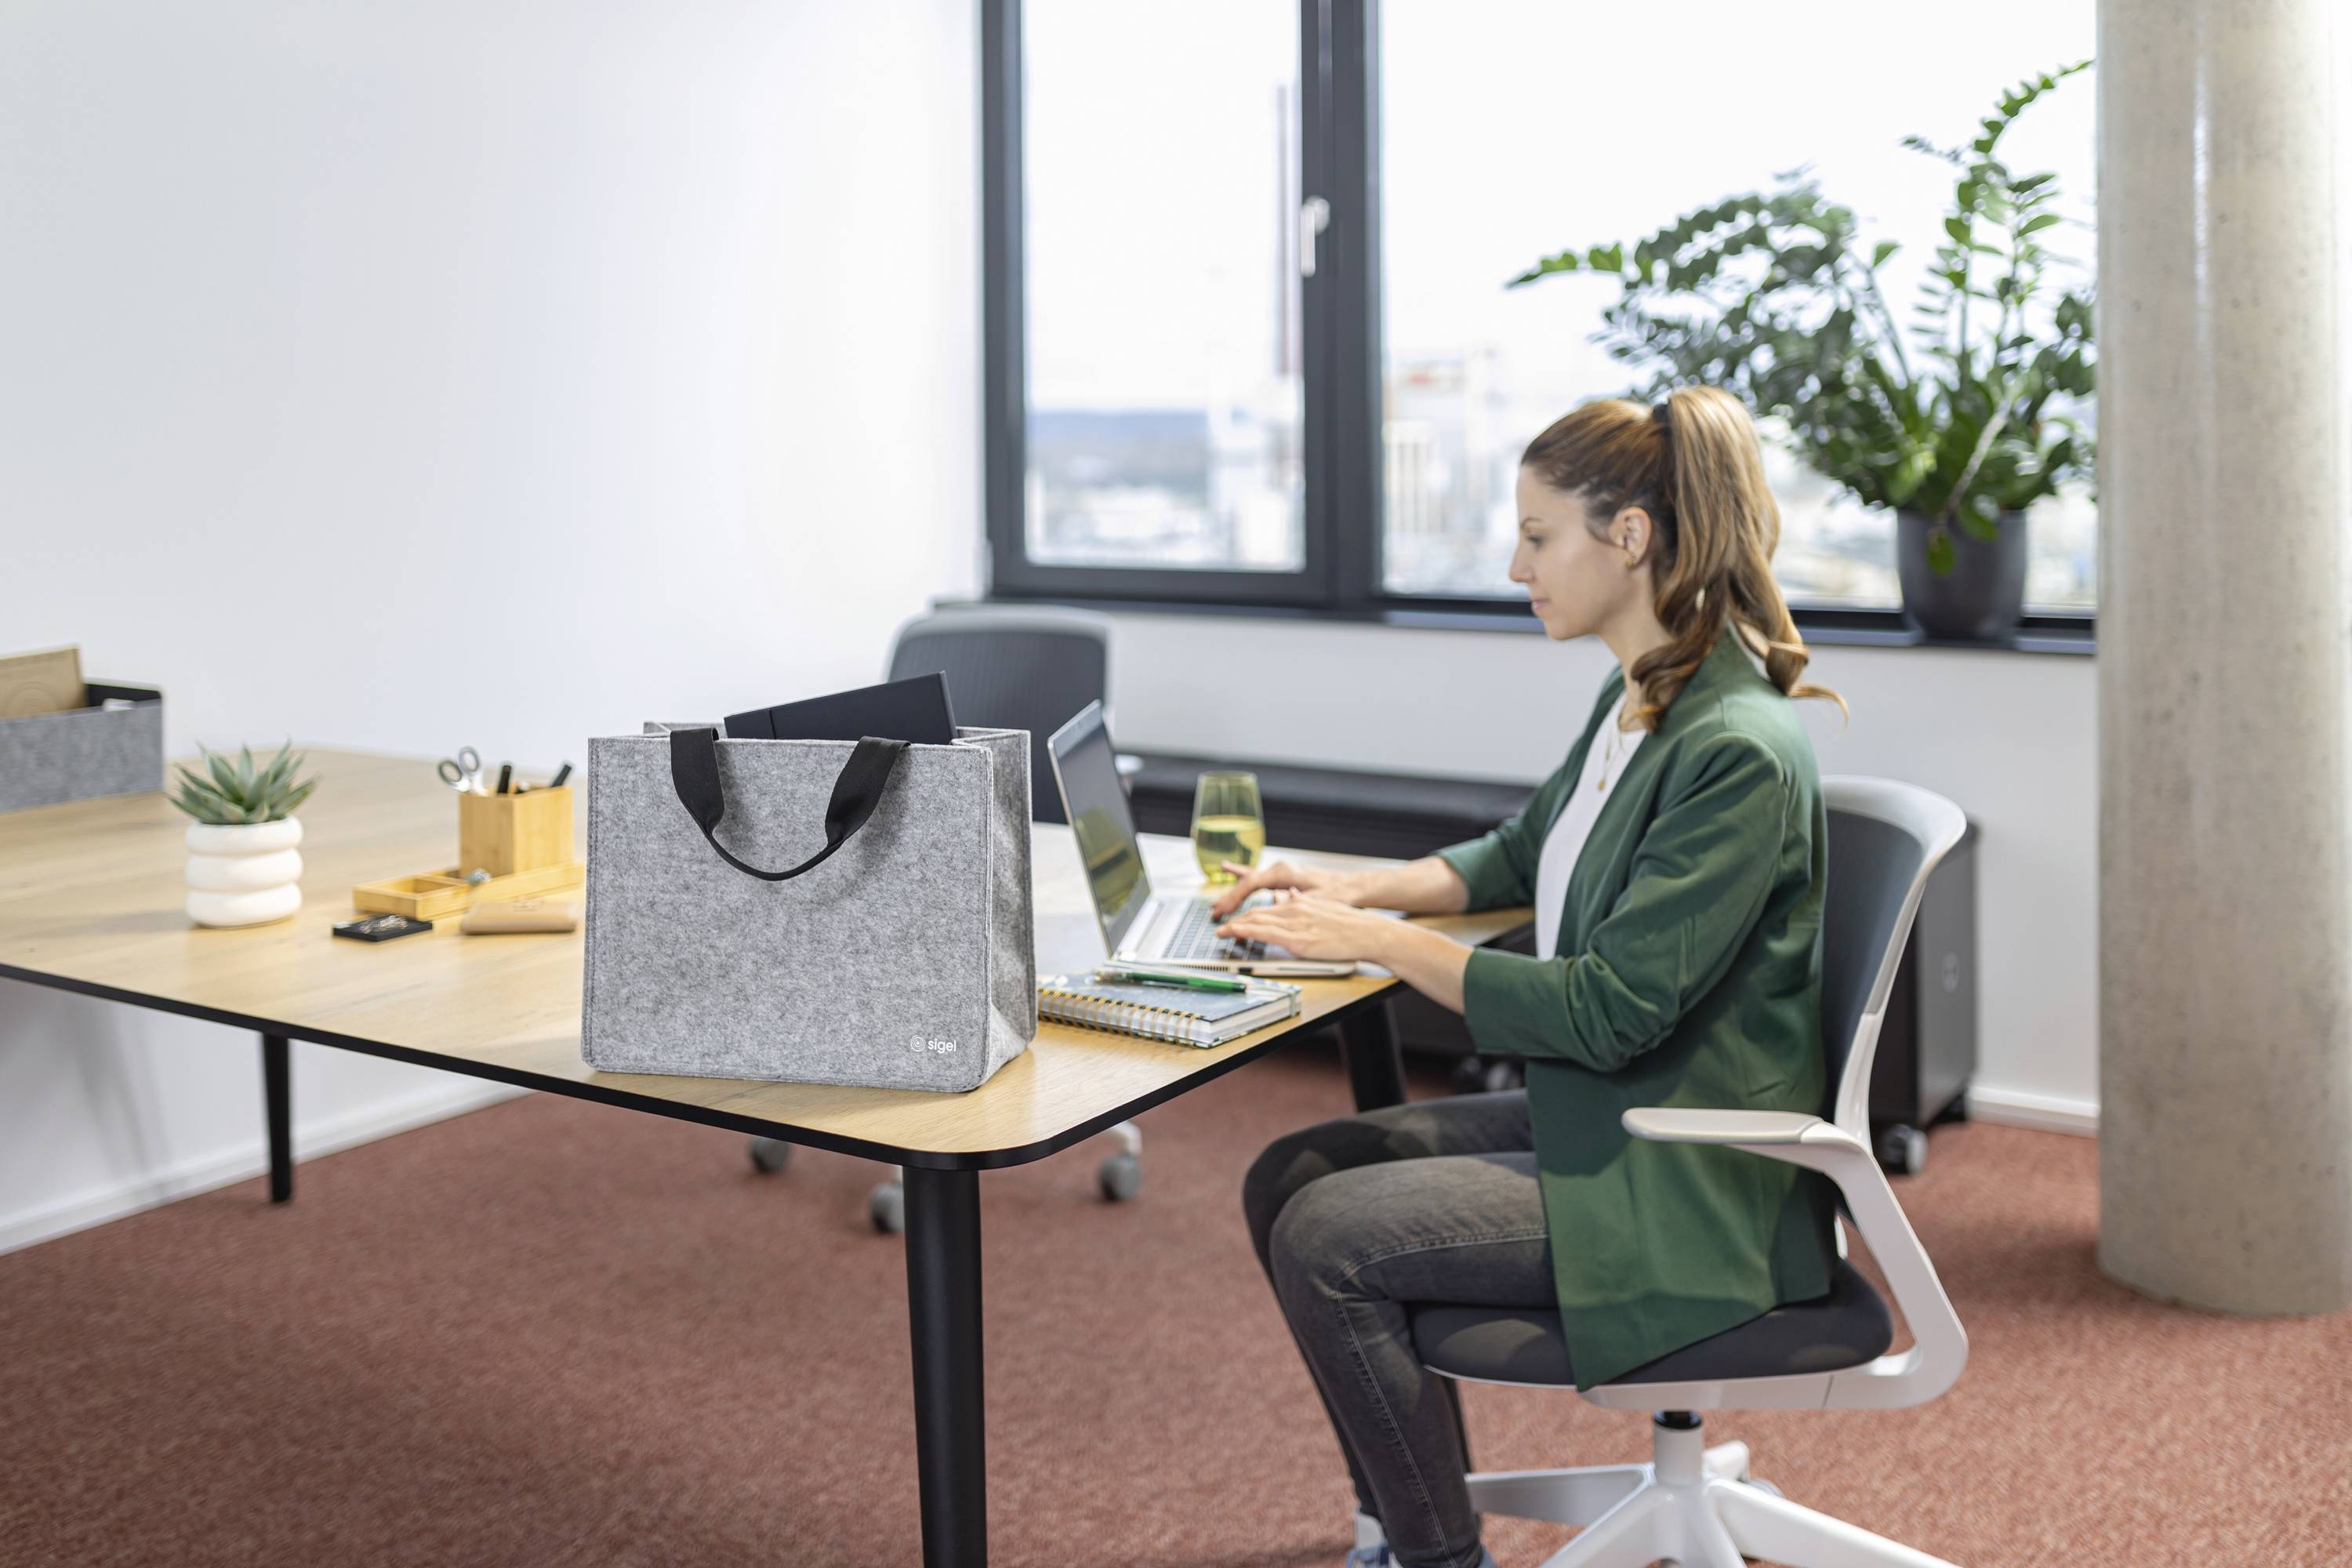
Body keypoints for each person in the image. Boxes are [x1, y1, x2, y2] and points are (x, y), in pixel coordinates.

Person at [1213, 387, 1848, 1568]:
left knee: (1327, 1238)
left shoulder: (1732, 746)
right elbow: (1519, 852)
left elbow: (1608, 1013)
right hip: (1622, 1115)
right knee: (1289, 1173)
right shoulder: (1645, 692)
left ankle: (1441, 1560)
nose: (1515, 566)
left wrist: (1385, 948)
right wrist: (1355, 891)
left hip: (1695, 1178)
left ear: (1631, 538)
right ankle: (1394, 1526)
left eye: (1537, 536)